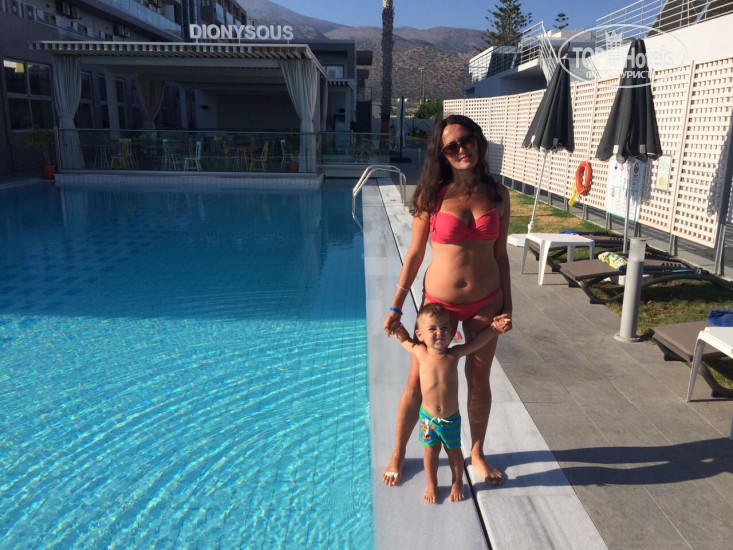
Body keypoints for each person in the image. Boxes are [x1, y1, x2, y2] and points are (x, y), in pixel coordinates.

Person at [382, 114, 513, 487]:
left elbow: (501, 255)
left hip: (487, 301)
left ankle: (477, 453)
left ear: (478, 140)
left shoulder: (498, 194)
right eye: (451, 146)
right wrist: (396, 306)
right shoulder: (432, 195)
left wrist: (508, 306)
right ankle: (398, 452)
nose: (461, 149)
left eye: (466, 140)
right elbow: (414, 255)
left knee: (479, 380)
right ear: (442, 155)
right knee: (417, 381)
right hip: (440, 305)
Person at [390, 303, 511, 503]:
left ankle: (457, 482)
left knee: (454, 453)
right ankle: (432, 483)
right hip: (428, 420)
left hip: (451, 420)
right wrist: (398, 328)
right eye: (432, 329)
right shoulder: (420, 351)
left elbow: (478, 342)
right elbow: (404, 340)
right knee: (430, 453)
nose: (440, 332)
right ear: (420, 335)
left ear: (453, 332)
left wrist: (493, 330)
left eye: (444, 327)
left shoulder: (454, 354)